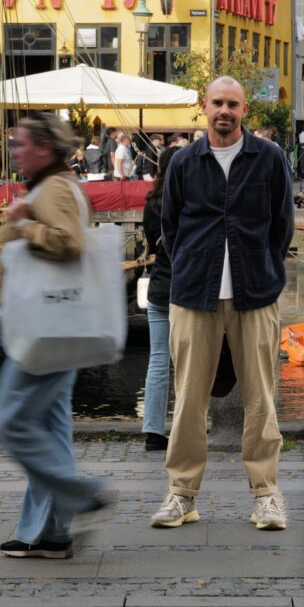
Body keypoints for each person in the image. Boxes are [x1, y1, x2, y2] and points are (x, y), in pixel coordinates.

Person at [151, 76, 294, 532]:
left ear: (244, 109)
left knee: (261, 400)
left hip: (255, 293)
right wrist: (194, 264)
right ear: (204, 107)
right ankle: (182, 493)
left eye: (232, 104)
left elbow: (282, 226)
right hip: (195, 293)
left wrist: (262, 266)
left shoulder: (269, 159)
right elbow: (170, 226)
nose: (224, 111)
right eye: (217, 103)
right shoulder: (184, 163)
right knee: (190, 399)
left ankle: (266, 496)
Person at [0, 113, 109, 560]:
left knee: (10, 422)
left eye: (20, 145)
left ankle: (85, 496)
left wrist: (22, 225)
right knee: (52, 430)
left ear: (44, 148)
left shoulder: (55, 187)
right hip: (60, 325)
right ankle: (54, 533)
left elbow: (68, 243)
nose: (15, 152)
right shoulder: (59, 184)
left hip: (47, 328)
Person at [141, 147, 177, 453]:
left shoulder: (151, 202)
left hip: (159, 286)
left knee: (158, 359)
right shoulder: (190, 202)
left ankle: (153, 431)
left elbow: (152, 244)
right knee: (194, 364)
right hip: (187, 291)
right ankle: (186, 428)